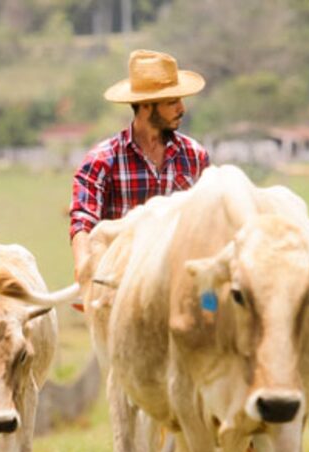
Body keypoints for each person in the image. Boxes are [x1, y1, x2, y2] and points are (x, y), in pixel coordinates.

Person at [69, 49, 210, 286]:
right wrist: (84, 270)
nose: (182, 108)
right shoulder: (101, 161)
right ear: (146, 106)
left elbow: (209, 221)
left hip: (179, 284)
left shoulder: (195, 157)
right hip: (119, 283)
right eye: (172, 101)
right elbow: (83, 219)